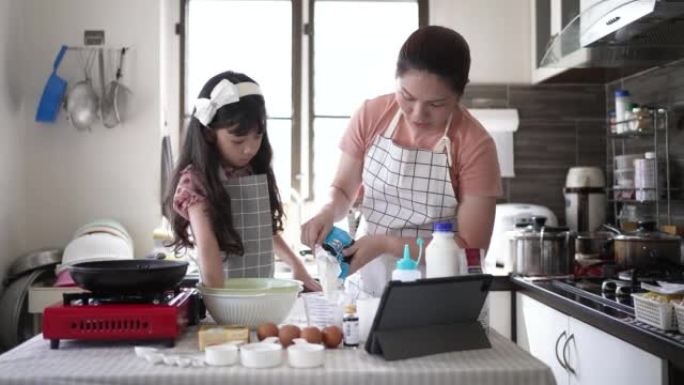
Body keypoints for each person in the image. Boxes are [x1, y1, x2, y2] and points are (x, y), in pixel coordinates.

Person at [301, 26, 502, 296]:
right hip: (368, 285)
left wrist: (386, 244)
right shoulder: (372, 115)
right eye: (407, 97)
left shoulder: (475, 144)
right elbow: (343, 190)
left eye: (436, 104)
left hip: (441, 290)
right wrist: (326, 212)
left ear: (459, 95)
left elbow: (471, 249)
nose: (418, 114)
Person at [166, 71, 321, 291]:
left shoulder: (249, 171)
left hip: (261, 291)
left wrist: (297, 266)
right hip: (223, 292)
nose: (249, 149)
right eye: (237, 140)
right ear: (209, 134)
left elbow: (263, 229)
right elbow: (207, 245)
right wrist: (220, 301)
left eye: (257, 137)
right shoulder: (195, 181)